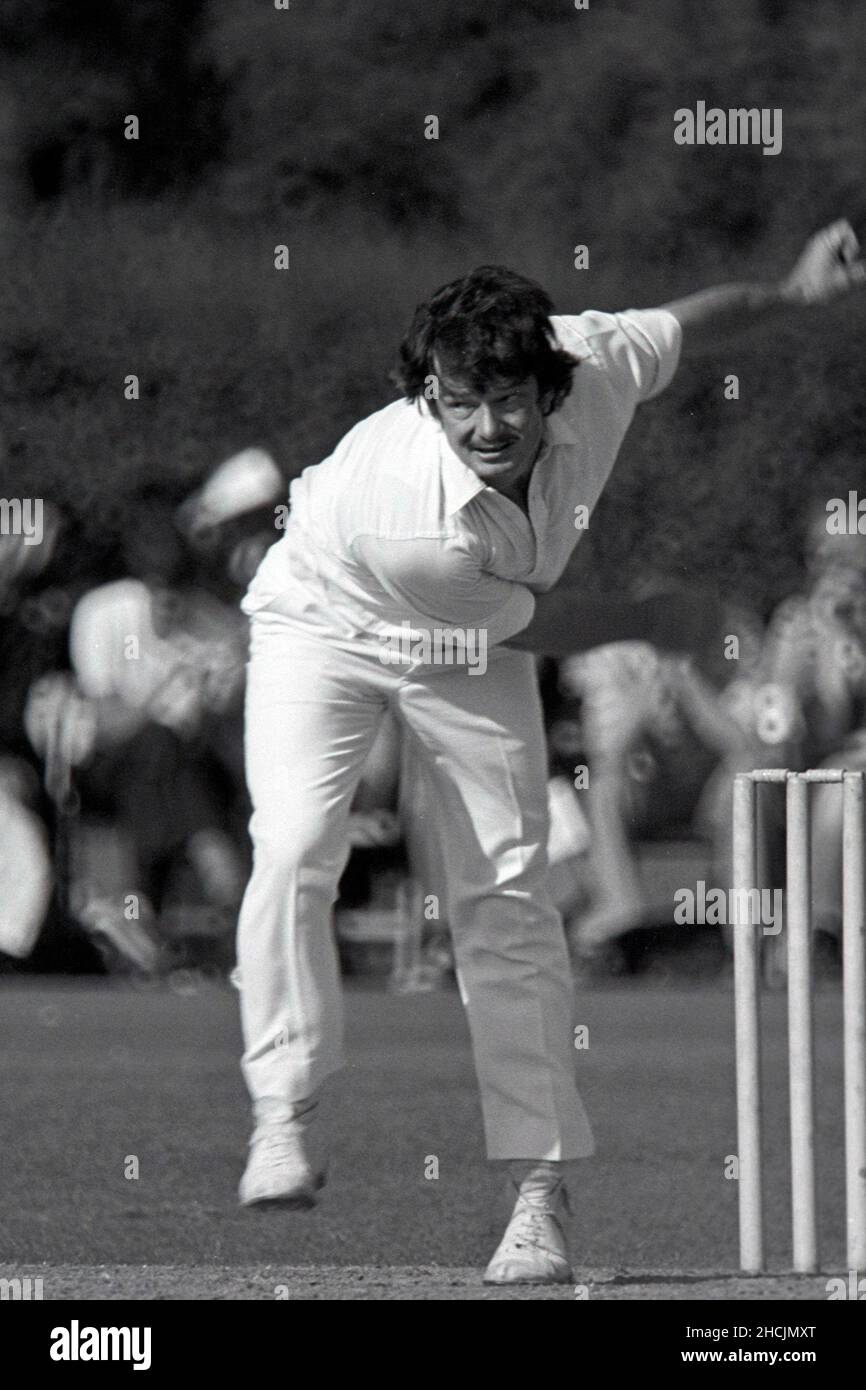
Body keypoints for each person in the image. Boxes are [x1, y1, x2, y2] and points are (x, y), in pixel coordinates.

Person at [233, 222, 865, 1284]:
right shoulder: (411, 515)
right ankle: (281, 1109)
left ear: (552, 383)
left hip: (471, 632)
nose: (486, 425)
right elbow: (535, 623)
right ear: (427, 395)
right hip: (328, 615)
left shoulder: (599, 357)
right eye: (458, 402)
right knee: (295, 842)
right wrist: (665, 616)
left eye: (508, 400)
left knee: (505, 894)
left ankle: (537, 1196)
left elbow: (697, 323)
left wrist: (795, 295)